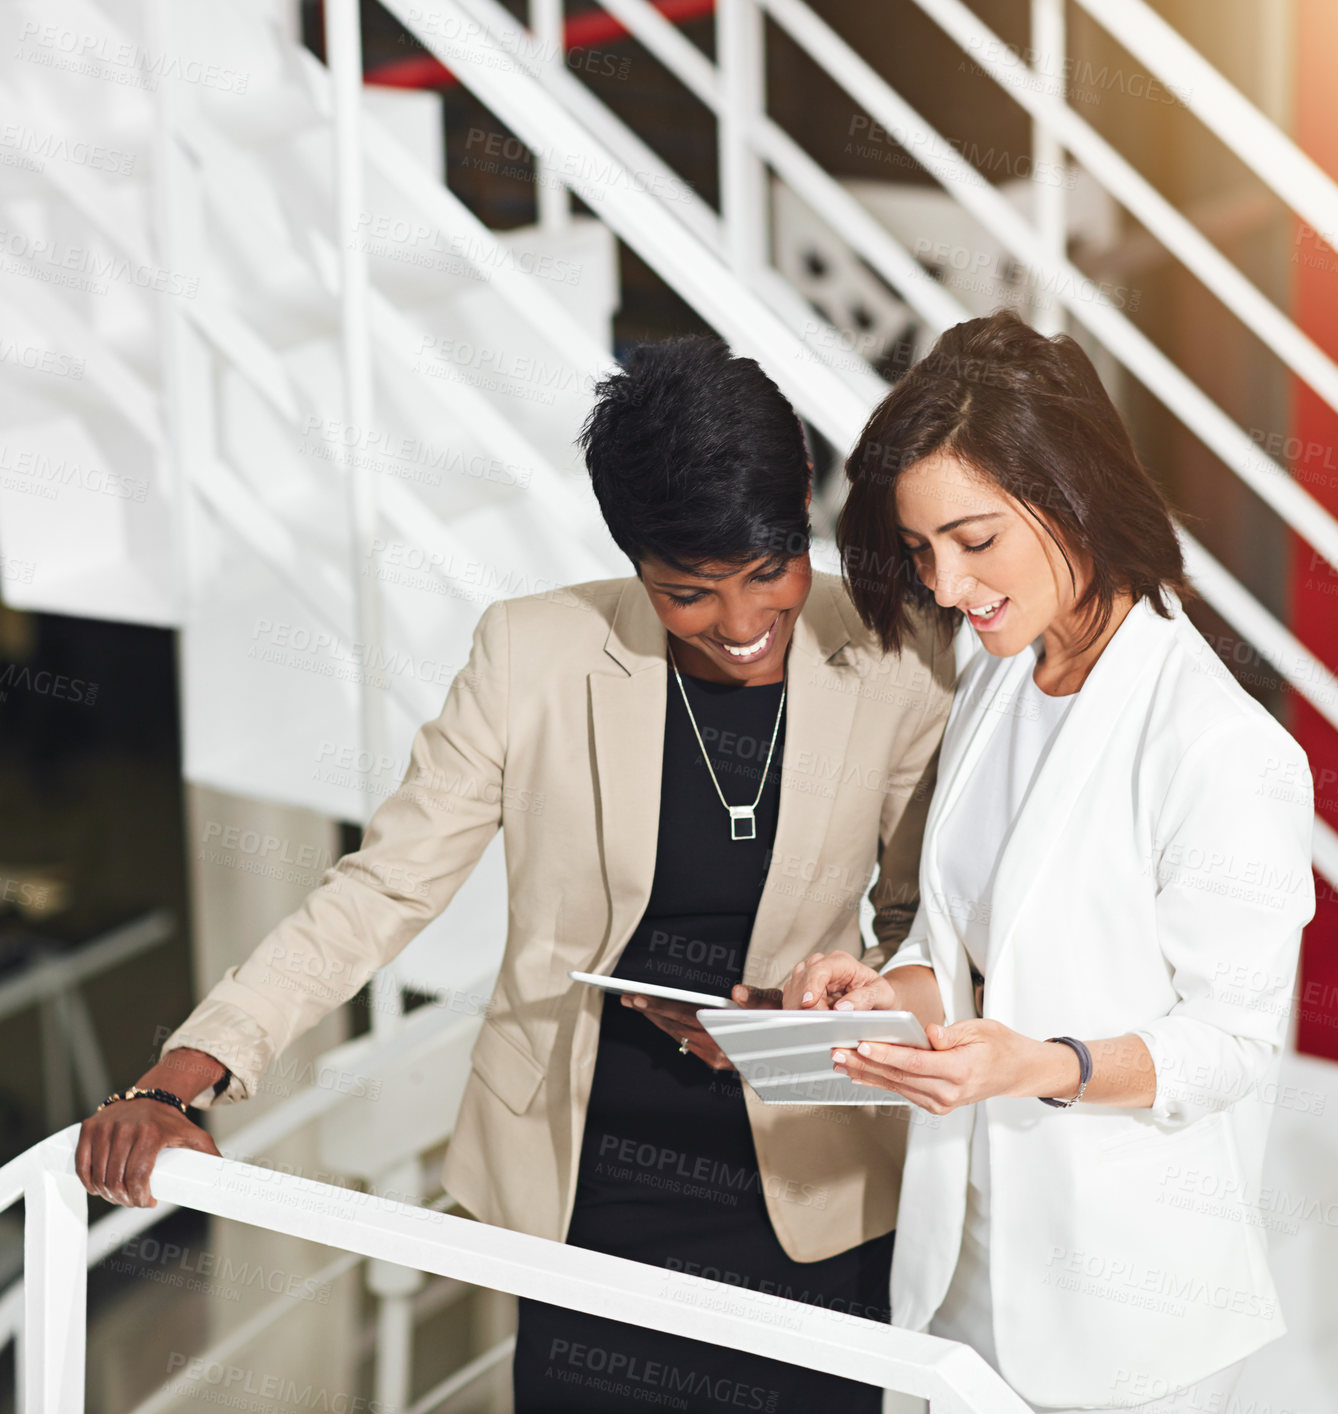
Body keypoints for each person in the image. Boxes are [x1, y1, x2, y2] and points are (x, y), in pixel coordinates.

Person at [74, 336, 956, 1412]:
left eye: (769, 572)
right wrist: (184, 1074)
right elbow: (383, 887)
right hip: (586, 1181)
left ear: (804, 509)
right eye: (688, 592)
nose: (740, 624)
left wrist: (815, 1012)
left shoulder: (898, 653)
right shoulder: (529, 654)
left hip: (810, 1180)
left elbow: (920, 927)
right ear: (634, 561)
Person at [785, 310, 1316, 1412]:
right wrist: (890, 992)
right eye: (923, 550)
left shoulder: (1220, 748)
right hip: (960, 1261)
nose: (944, 585)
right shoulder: (996, 678)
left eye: (974, 541)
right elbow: (963, 947)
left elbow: (1229, 1046)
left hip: (1124, 1311)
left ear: (1071, 491)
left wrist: (1039, 1064)